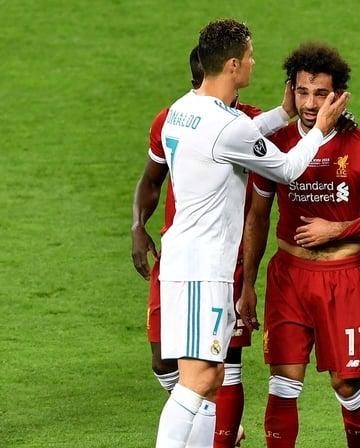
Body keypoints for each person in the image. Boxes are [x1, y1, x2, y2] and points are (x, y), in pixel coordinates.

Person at [154, 19, 349, 448]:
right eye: (249, 56)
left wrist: (281, 116)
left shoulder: (181, 111)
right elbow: (287, 168)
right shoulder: (227, 126)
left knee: (212, 378)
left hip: (191, 263)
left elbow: (229, 141)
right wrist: (319, 130)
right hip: (201, 271)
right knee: (199, 379)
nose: (254, 62)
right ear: (232, 65)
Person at [237, 41, 360, 448]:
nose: (310, 102)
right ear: (291, 89)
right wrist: (247, 284)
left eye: (320, 93)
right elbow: (257, 216)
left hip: (344, 279)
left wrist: (334, 231)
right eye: (303, 91)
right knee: (282, 384)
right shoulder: (275, 145)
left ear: (339, 96)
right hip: (289, 277)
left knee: (345, 383)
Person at [132, 46, 272, 447]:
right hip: (183, 256)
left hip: (224, 261)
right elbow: (151, 178)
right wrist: (137, 226)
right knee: (169, 365)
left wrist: (249, 279)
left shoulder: (247, 122)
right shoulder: (175, 117)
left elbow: (262, 208)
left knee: (219, 371)